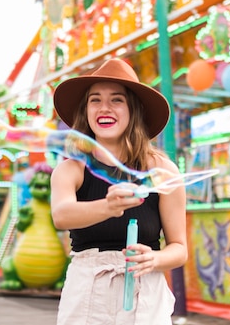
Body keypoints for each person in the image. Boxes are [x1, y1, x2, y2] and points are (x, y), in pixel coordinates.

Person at [50, 58, 187, 324]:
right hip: (87, 293)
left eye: (116, 100)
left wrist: (154, 258)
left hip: (145, 293)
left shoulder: (162, 170)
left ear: (133, 109)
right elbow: (62, 215)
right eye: (95, 100)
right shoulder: (70, 170)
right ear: (85, 110)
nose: (104, 108)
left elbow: (179, 248)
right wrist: (108, 206)